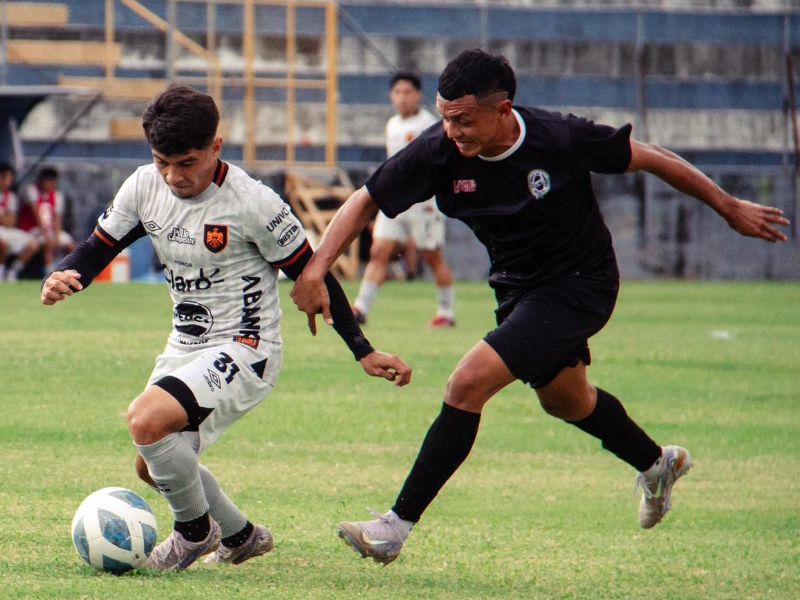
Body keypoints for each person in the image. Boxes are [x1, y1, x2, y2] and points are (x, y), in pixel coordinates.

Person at [290, 49, 790, 565]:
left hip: (581, 284)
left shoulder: (561, 138)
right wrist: (315, 269)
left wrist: (729, 206)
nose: (452, 130)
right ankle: (655, 462)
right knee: (567, 400)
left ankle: (395, 527)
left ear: (503, 110)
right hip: (517, 290)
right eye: (445, 117)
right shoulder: (440, 150)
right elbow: (365, 199)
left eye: (463, 119)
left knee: (466, 383)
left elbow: (652, 157)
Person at [41, 85, 411, 571]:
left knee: (147, 421)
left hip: (247, 348)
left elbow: (314, 276)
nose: (173, 177)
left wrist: (363, 349)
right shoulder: (142, 186)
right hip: (186, 345)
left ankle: (194, 535)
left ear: (216, 148)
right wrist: (67, 273)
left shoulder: (254, 204)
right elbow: (96, 248)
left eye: (186, 163)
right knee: (155, 464)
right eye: (161, 162)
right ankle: (242, 535)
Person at [352, 71, 456, 328]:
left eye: (407, 92)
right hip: (396, 202)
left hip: (423, 203)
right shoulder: (392, 125)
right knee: (379, 251)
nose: (402, 98)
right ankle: (361, 308)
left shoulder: (429, 124)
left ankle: (446, 311)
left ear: (418, 95)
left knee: (432, 255)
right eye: (397, 92)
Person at [19, 166, 76, 273]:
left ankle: (76, 272)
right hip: (34, 229)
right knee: (47, 245)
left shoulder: (57, 196)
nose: (51, 184)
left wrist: (57, 235)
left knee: (71, 246)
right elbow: (36, 214)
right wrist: (47, 235)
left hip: (51, 230)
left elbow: (58, 217)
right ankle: (48, 273)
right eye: (48, 181)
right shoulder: (32, 191)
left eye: (53, 181)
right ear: (41, 180)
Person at [0, 163, 39, 281]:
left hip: (5, 230)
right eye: (7, 177)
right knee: (2, 243)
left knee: (33, 244)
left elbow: (10, 222)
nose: (9, 181)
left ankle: (13, 271)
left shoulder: (10, 197)